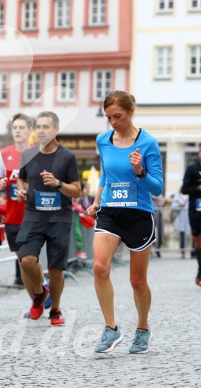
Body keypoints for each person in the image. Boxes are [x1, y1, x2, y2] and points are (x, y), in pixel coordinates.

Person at [87, 90, 163, 354]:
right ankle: (111, 328)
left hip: (139, 214)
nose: (113, 122)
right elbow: (106, 175)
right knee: (99, 267)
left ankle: (142, 329)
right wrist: (97, 200)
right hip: (110, 212)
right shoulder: (103, 140)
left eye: (117, 116)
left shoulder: (149, 143)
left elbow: (158, 189)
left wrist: (140, 171)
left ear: (131, 111)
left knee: (137, 281)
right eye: (109, 117)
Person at [16, 111, 81, 327]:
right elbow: (22, 179)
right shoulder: (28, 155)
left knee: (55, 269)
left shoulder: (67, 156)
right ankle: (39, 293)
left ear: (56, 129)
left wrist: (58, 184)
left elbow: (76, 191)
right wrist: (21, 190)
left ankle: (55, 310)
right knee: (26, 259)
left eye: (46, 127)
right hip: (34, 215)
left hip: (59, 217)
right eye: (39, 127)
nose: (41, 131)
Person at [0, 113, 34, 288]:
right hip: (13, 216)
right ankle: (39, 295)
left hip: (34, 216)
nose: (17, 131)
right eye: (15, 128)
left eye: (22, 128)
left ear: (30, 130)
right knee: (22, 261)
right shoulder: (4, 154)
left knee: (30, 260)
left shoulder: (38, 153)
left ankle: (40, 292)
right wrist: (0, 182)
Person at [181, 143, 201, 286]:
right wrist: (197, 188)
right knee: (198, 240)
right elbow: (184, 189)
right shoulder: (192, 169)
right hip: (196, 209)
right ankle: (200, 270)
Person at [171, 192, 190, 259]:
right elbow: (173, 206)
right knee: (182, 235)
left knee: (193, 234)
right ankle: (183, 252)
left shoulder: (191, 194)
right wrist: (179, 204)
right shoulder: (177, 196)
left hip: (189, 217)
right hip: (181, 218)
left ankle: (193, 252)